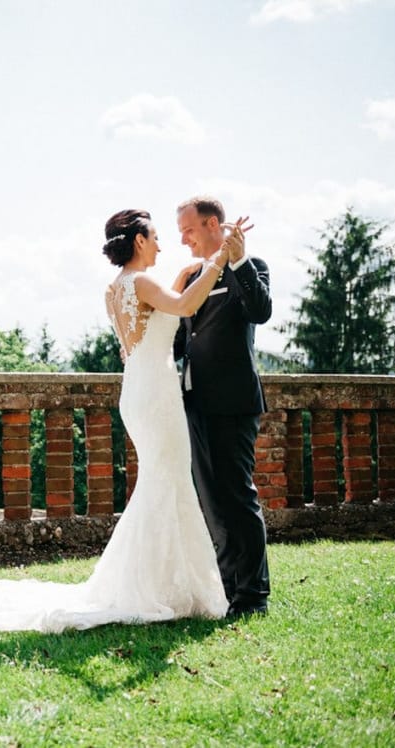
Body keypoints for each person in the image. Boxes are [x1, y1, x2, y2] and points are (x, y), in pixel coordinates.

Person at [0, 209, 241, 631]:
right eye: (157, 237)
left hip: (139, 389)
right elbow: (181, 305)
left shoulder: (116, 288)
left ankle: (168, 584)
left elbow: (160, 311)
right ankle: (159, 587)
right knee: (168, 480)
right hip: (157, 394)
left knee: (163, 481)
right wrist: (218, 261)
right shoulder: (143, 282)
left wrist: (192, 269)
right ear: (140, 241)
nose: (162, 245)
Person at [174, 196, 272, 618]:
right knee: (211, 502)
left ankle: (253, 597)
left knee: (236, 498)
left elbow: (261, 310)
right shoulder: (192, 276)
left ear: (213, 224)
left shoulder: (251, 267)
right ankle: (230, 592)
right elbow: (182, 340)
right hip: (193, 402)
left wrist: (239, 261)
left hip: (232, 402)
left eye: (189, 230)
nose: (183, 240)